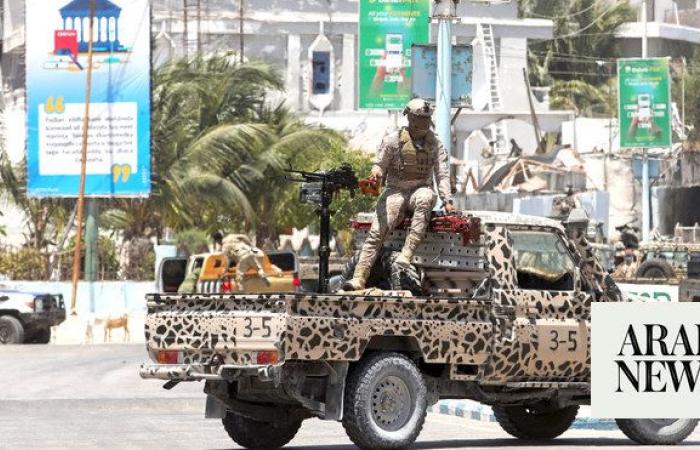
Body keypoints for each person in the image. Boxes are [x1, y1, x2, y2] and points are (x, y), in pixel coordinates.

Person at [342, 98, 454, 291]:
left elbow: (442, 174)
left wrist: (447, 199)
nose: (424, 123)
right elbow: (379, 164)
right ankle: (359, 276)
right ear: (410, 118)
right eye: (420, 118)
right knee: (377, 232)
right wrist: (376, 174)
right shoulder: (393, 141)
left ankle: (406, 254)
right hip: (396, 189)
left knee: (426, 198)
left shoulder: (435, 144)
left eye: (427, 118)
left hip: (420, 188)